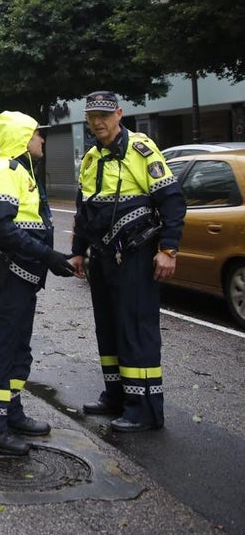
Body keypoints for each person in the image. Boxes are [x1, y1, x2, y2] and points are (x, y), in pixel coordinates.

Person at [69, 91, 186, 433]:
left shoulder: (141, 150)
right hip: (103, 257)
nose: (98, 122)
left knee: (135, 329)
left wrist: (168, 249)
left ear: (119, 114)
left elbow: (173, 202)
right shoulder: (91, 158)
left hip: (135, 255)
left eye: (105, 115)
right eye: (92, 116)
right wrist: (78, 251)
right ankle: (116, 396)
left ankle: (146, 409)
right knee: (107, 327)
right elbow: (84, 210)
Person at [0, 111, 77, 456]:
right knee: (1, 351)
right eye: (36, 135)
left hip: (22, 278)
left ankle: (11, 413)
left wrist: (48, 259)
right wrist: (49, 256)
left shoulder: (20, 171)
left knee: (18, 349)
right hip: (8, 278)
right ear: (22, 138)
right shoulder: (4, 173)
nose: (42, 140)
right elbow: (1, 229)